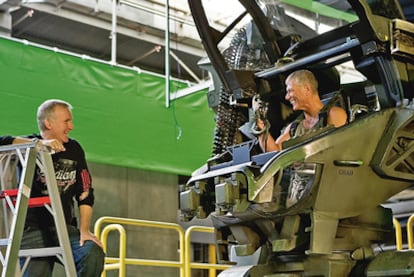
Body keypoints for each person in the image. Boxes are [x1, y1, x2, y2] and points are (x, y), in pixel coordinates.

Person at [17, 99, 105, 277]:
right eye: (67, 121)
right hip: (32, 232)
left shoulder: (74, 148)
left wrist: (85, 230)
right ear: (49, 123)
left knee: (92, 252)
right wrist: (37, 145)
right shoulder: (27, 147)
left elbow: (85, 191)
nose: (71, 126)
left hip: (64, 230)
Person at [254, 69, 348, 152]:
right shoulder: (293, 128)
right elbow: (274, 152)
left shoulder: (334, 114)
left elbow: (333, 148)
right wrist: (261, 125)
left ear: (307, 89)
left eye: (290, 91)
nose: (287, 97)